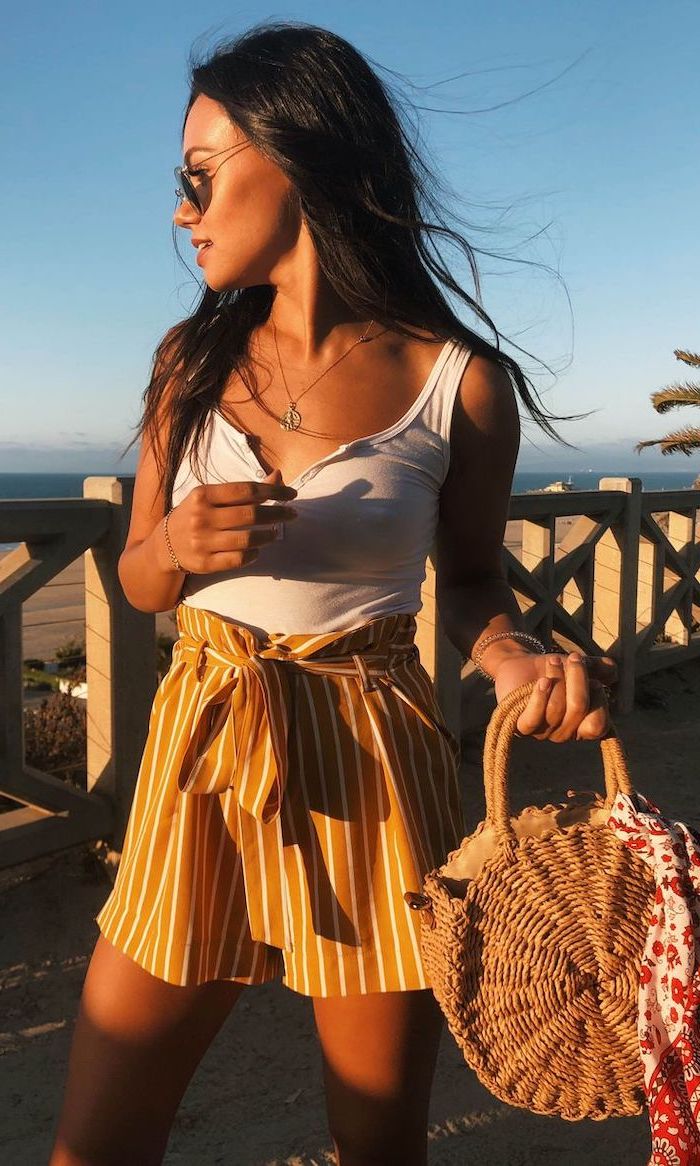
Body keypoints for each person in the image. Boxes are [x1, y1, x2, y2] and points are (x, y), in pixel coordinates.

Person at [49, 21, 616, 1166]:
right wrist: (178, 543)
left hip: (374, 754)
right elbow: (136, 576)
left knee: (378, 1141)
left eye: (196, 178)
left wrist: (512, 661)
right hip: (203, 748)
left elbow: (467, 583)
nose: (180, 211)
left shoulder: (455, 380)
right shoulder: (188, 362)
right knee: (98, 1138)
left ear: (296, 158)